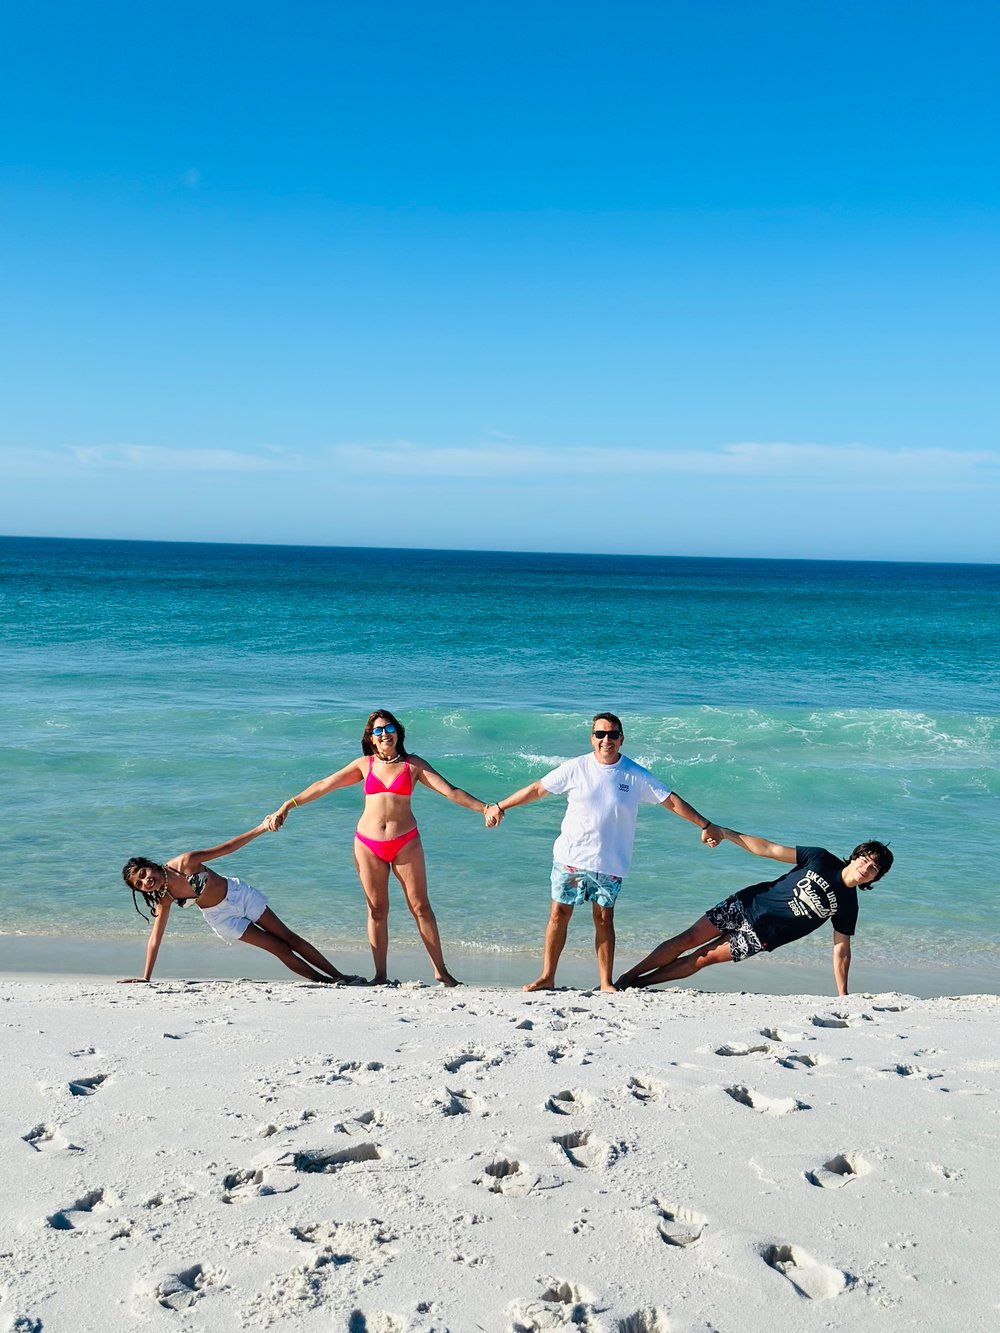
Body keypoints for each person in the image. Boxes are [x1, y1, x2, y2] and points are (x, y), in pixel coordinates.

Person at [488, 712, 722, 993]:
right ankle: (547, 976)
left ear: (621, 739)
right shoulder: (576, 767)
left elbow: (670, 801)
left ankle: (605, 982)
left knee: (603, 919)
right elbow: (538, 789)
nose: (606, 740)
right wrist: (500, 806)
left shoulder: (634, 774)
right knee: (559, 914)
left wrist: (705, 824)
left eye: (612, 734)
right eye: (600, 734)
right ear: (592, 738)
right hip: (571, 859)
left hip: (609, 864)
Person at [266, 710, 501, 987]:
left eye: (389, 728)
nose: (384, 734)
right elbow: (324, 785)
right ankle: (380, 975)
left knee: (421, 907)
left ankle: (441, 971)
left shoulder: (413, 765)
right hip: (368, 844)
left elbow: (450, 791)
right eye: (378, 731)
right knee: (377, 910)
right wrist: (287, 805)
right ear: (371, 739)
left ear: (398, 733)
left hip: (406, 843)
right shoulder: (364, 765)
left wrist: (485, 807)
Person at [615, 828, 894, 996]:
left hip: (762, 936)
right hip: (747, 904)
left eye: (874, 869)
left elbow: (841, 949)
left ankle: (640, 984)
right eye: (865, 860)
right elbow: (768, 849)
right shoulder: (820, 859)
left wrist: (842, 993)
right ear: (855, 856)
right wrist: (724, 832)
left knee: (701, 959)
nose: (866, 869)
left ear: (874, 878)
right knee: (688, 939)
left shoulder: (848, 904)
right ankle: (627, 977)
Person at [121, 820, 359, 984]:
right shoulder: (166, 897)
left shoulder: (186, 862)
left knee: (289, 938)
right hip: (222, 918)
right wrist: (146, 977)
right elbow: (155, 938)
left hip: (239, 896)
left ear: (149, 865)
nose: (146, 881)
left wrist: (262, 828)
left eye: (143, 874)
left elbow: (229, 847)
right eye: (139, 885)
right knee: (279, 949)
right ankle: (326, 982)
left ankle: (342, 976)